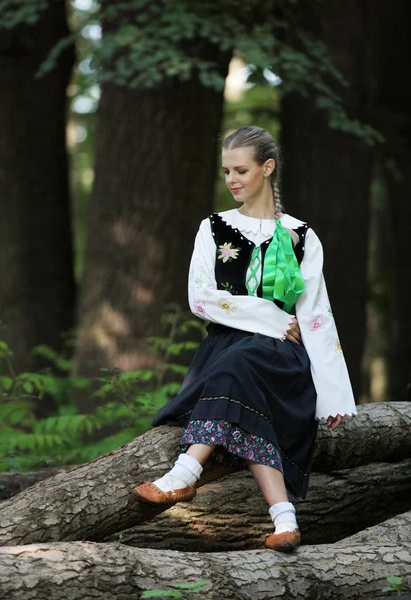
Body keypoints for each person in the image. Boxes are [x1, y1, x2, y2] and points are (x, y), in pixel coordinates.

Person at [132, 125, 357, 552]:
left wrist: (333, 394)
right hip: (224, 350)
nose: (232, 180)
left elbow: (315, 315)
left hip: (280, 358)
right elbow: (200, 299)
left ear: (267, 168)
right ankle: (285, 519)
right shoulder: (213, 228)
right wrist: (272, 316)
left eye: (241, 170)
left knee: (244, 366)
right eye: (226, 172)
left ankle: (182, 476)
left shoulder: (302, 236)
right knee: (239, 374)